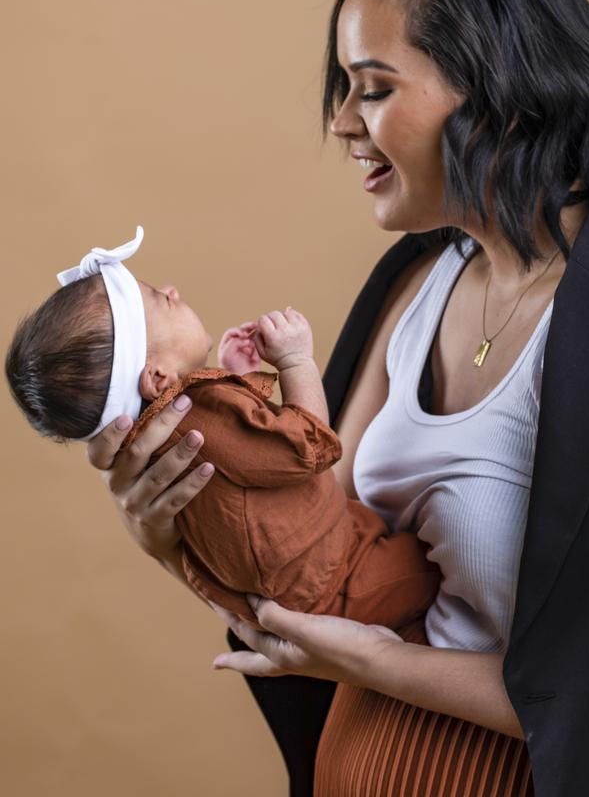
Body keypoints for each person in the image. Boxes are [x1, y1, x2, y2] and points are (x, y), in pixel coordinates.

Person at [85, 0, 589, 797]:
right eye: (344, 86)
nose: (343, 122)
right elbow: (323, 565)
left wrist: (384, 665)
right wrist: (177, 532)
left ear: (501, 93)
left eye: (374, 88)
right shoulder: (414, 283)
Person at [6, 229, 440, 633]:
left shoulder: (158, 439)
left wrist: (242, 379)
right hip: (335, 579)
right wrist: (295, 363)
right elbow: (307, 447)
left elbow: (242, 473)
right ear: (158, 377)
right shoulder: (202, 410)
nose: (174, 290)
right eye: (161, 300)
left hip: (308, 566)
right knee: (429, 571)